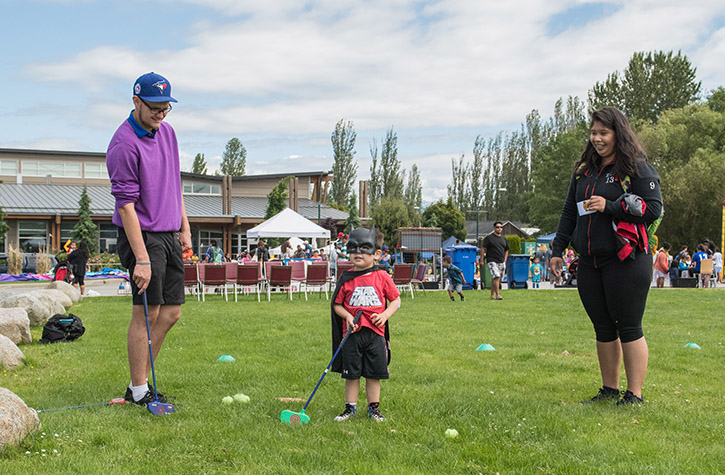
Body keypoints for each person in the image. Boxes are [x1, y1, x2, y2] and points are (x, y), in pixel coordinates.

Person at [550, 107, 662, 406]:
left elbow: (653, 209)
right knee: (602, 326)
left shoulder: (635, 168)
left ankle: (634, 394)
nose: (597, 139)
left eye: (604, 133)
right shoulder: (583, 170)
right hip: (589, 261)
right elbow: (568, 212)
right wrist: (557, 250)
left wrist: (610, 206)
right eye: (594, 133)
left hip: (626, 259)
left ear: (618, 133)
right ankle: (609, 389)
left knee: (629, 326)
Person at [107, 72, 191, 406]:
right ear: (136, 101)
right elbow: (125, 206)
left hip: (168, 233)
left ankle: (136, 385)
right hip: (142, 236)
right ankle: (140, 390)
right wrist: (141, 259)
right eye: (155, 107)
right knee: (147, 313)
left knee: (171, 314)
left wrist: (184, 228)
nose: (161, 114)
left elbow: (175, 184)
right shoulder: (123, 144)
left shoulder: (168, 133)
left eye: (166, 108)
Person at [331, 226, 401, 422]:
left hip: (375, 334)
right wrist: (347, 316)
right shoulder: (346, 279)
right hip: (352, 334)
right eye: (352, 248)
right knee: (351, 374)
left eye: (364, 248)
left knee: (374, 374)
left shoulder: (382, 277)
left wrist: (385, 315)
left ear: (377, 254)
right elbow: (336, 305)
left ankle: (373, 409)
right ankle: (349, 409)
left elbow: (396, 301)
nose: (357, 253)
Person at [482, 221, 509, 300]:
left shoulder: (504, 239)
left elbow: (507, 250)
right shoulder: (489, 238)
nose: (499, 228)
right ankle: (498, 295)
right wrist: (482, 260)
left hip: (501, 261)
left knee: (496, 278)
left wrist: (505, 260)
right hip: (491, 260)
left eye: (501, 227)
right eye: (497, 227)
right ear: (494, 228)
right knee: (496, 276)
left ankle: (492, 295)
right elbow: (483, 248)